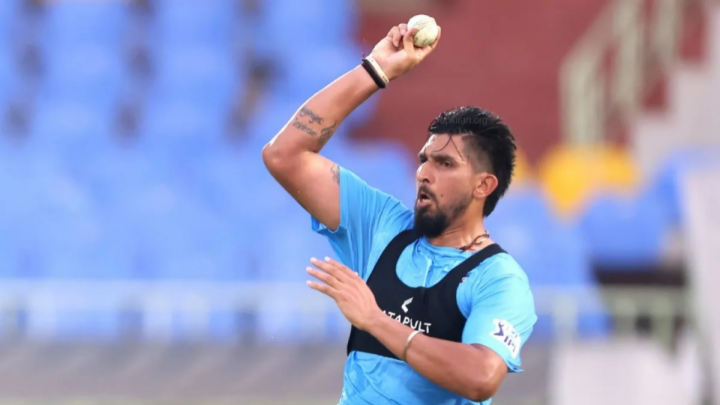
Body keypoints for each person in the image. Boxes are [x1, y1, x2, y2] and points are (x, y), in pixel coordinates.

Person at [262, 21, 537, 405]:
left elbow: (481, 377)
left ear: (483, 186)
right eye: (424, 159)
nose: (423, 173)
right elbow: (284, 155)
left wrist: (375, 320)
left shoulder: (498, 279)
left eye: (445, 164)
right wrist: (375, 70)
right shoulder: (381, 225)